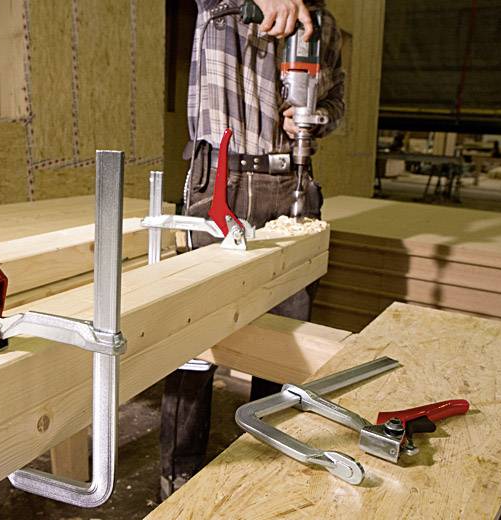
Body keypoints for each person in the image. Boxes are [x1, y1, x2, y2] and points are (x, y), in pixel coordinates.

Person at [159, 0, 346, 500]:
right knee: (196, 337)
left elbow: (339, 99)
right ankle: (180, 478)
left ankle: (267, 462)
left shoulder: (325, 27)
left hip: (293, 181)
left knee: (286, 336)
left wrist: (317, 118)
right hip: (222, 177)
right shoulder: (220, 6)